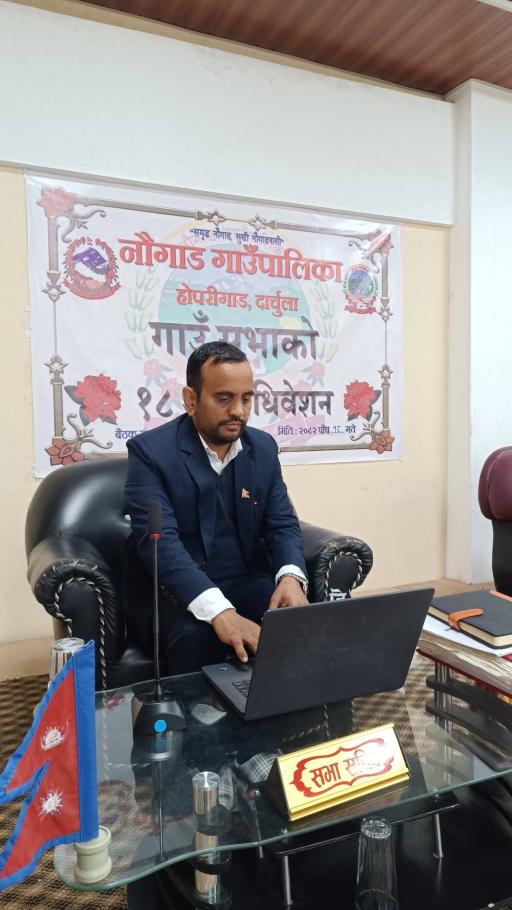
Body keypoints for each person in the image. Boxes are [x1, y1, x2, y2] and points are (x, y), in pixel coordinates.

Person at [126, 341, 308, 674]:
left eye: (246, 398)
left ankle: (293, 707)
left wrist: (291, 577)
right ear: (191, 399)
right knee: (196, 636)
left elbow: (282, 523)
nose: (238, 411)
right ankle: (196, 711)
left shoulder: (262, 448)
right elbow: (160, 545)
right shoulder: (150, 453)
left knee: (296, 620)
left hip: (245, 580)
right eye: (224, 398)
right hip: (175, 592)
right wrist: (220, 612)